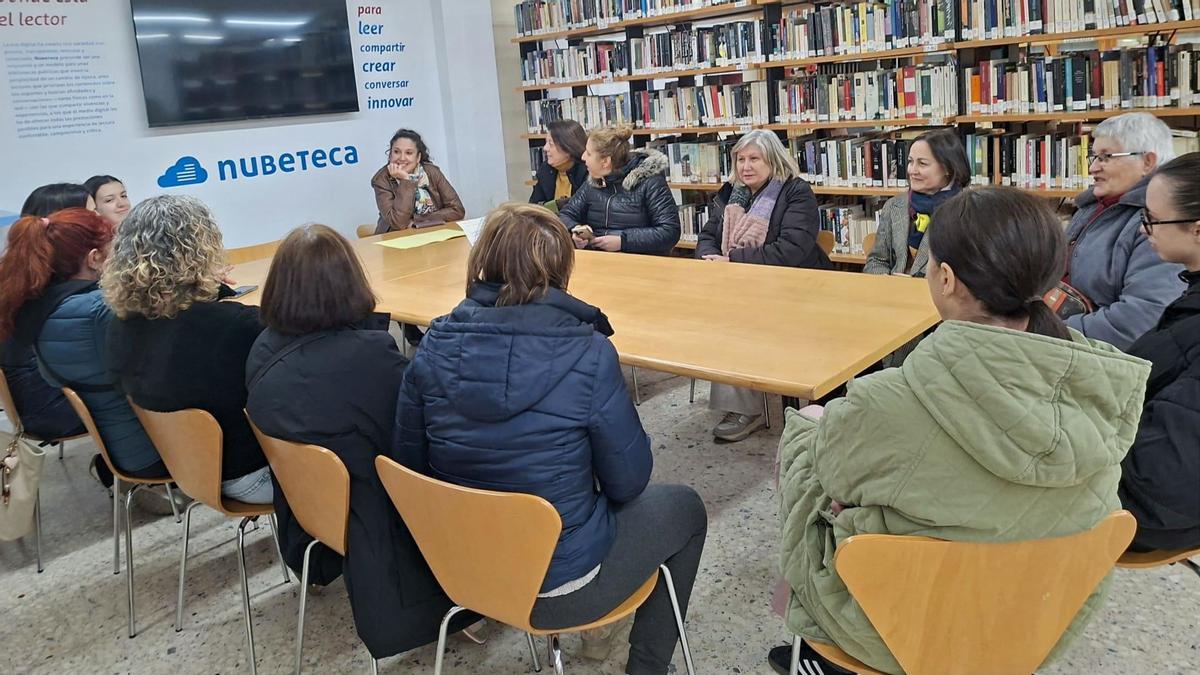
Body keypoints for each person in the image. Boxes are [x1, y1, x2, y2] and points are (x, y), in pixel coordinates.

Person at [770, 187, 1151, 675]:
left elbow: (829, 486)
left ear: (945, 278)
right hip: (1036, 616)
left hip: (895, 626)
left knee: (805, 449)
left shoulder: (886, 401)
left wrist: (807, 431)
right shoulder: (1104, 384)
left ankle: (813, 656)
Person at [394, 203, 706, 675]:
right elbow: (629, 483)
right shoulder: (588, 353)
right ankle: (646, 666)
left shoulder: (433, 344)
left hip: (459, 569)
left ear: (486, 260)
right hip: (558, 587)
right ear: (562, 266)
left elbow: (408, 465)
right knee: (684, 507)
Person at [244, 224, 478, 658]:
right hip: (376, 512)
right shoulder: (365, 357)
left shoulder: (263, 349)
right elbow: (419, 437)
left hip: (315, 511)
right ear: (351, 282)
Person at [104, 195, 271, 504]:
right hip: (250, 474)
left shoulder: (119, 326)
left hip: (187, 469)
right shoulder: (234, 325)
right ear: (202, 250)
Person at [0, 206, 168, 497]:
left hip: (116, 443)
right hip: (153, 452)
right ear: (94, 259)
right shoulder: (100, 312)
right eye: (113, 250)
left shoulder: (38, 308)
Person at [694, 129, 831, 442]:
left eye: (754, 158)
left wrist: (733, 261)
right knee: (720, 310)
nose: (746, 166)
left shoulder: (796, 192)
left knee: (738, 318)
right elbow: (706, 237)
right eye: (740, 159)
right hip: (741, 285)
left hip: (797, 287)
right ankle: (744, 403)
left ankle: (746, 409)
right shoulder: (732, 193)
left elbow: (790, 249)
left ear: (773, 159)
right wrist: (711, 258)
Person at [1119, 152, 1200, 552]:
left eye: (1151, 219)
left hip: (1148, 512)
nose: (1142, 230)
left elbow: (1164, 481)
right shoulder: (1191, 298)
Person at [1062, 112, 1185, 350]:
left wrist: (1050, 331)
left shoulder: (1159, 223)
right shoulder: (1092, 207)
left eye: (1106, 157)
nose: (1093, 167)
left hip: (1098, 357)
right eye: (1093, 156)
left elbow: (1141, 318)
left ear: (1147, 162)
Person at [0, 185, 92, 441]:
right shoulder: (63, 287)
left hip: (33, 401)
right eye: (91, 213)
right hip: (53, 407)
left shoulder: (22, 273)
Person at [863, 128, 971, 277]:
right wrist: (885, 280)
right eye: (910, 161)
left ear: (947, 168)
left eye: (922, 163)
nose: (912, 170)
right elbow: (876, 261)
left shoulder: (966, 212)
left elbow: (969, 274)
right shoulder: (894, 206)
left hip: (939, 297)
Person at [558, 127, 680, 254]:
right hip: (597, 260)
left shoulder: (650, 182)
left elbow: (669, 231)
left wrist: (623, 241)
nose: (583, 157)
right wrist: (576, 230)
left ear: (605, 161)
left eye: (588, 153)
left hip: (638, 263)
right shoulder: (592, 182)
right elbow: (566, 214)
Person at [371, 128, 465, 234]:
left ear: (418, 157)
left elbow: (457, 210)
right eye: (396, 152)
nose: (402, 158)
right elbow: (398, 223)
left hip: (433, 232)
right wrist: (406, 180)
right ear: (390, 154)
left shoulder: (431, 172)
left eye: (409, 153)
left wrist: (417, 220)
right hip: (395, 237)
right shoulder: (381, 180)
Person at [529, 119, 590, 209]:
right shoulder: (545, 170)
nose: (545, 148)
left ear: (568, 147)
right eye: (546, 143)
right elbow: (534, 207)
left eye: (551, 143)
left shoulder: (587, 171)